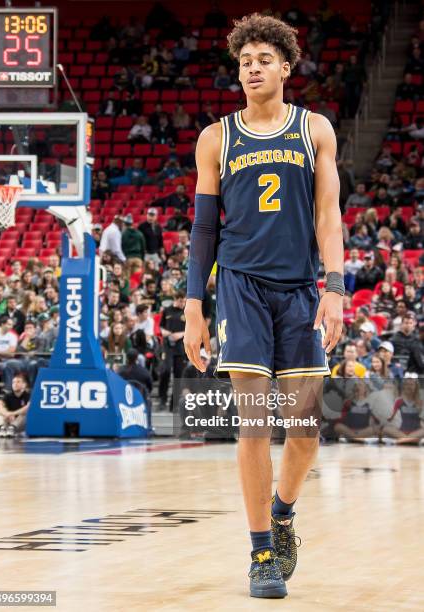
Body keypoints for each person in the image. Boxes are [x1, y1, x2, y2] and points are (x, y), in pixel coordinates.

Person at [183, 14, 343, 599]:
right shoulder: (216, 138)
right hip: (241, 288)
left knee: (303, 429)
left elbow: (329, 215)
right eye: (245, 60)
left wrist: (334, 286)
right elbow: (203, 230)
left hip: (301, 287)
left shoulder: (315, 130)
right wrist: (193, 307)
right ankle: (260, 555)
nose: (252, 68)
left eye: (263, 59)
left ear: (286, 66)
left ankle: (283, 513)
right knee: (254, 422)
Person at [0, 373, 30, 438]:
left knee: (25, 413)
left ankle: (12, 428)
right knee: (0, 411)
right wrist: (6, 414)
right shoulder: (8, 395)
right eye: (13, 382)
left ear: (24, 385)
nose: (15, 384)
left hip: (19, 424)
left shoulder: (28, 395)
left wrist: (12, 413)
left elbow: (28, 407)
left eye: (18, 382)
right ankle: (2, 428)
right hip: (8, 420)